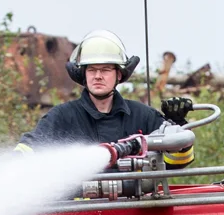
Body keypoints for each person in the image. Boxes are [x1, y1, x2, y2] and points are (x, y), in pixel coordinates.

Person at [17, 30, 194, 151]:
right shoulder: (62, 118)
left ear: (119, 74)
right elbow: (33, 146)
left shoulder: (143, 117)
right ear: (83, 74)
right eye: (92, 70)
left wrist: (177, 125)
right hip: (80, 206)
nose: (98, 76)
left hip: (135, 206)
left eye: (106, 70)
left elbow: (176, 162)